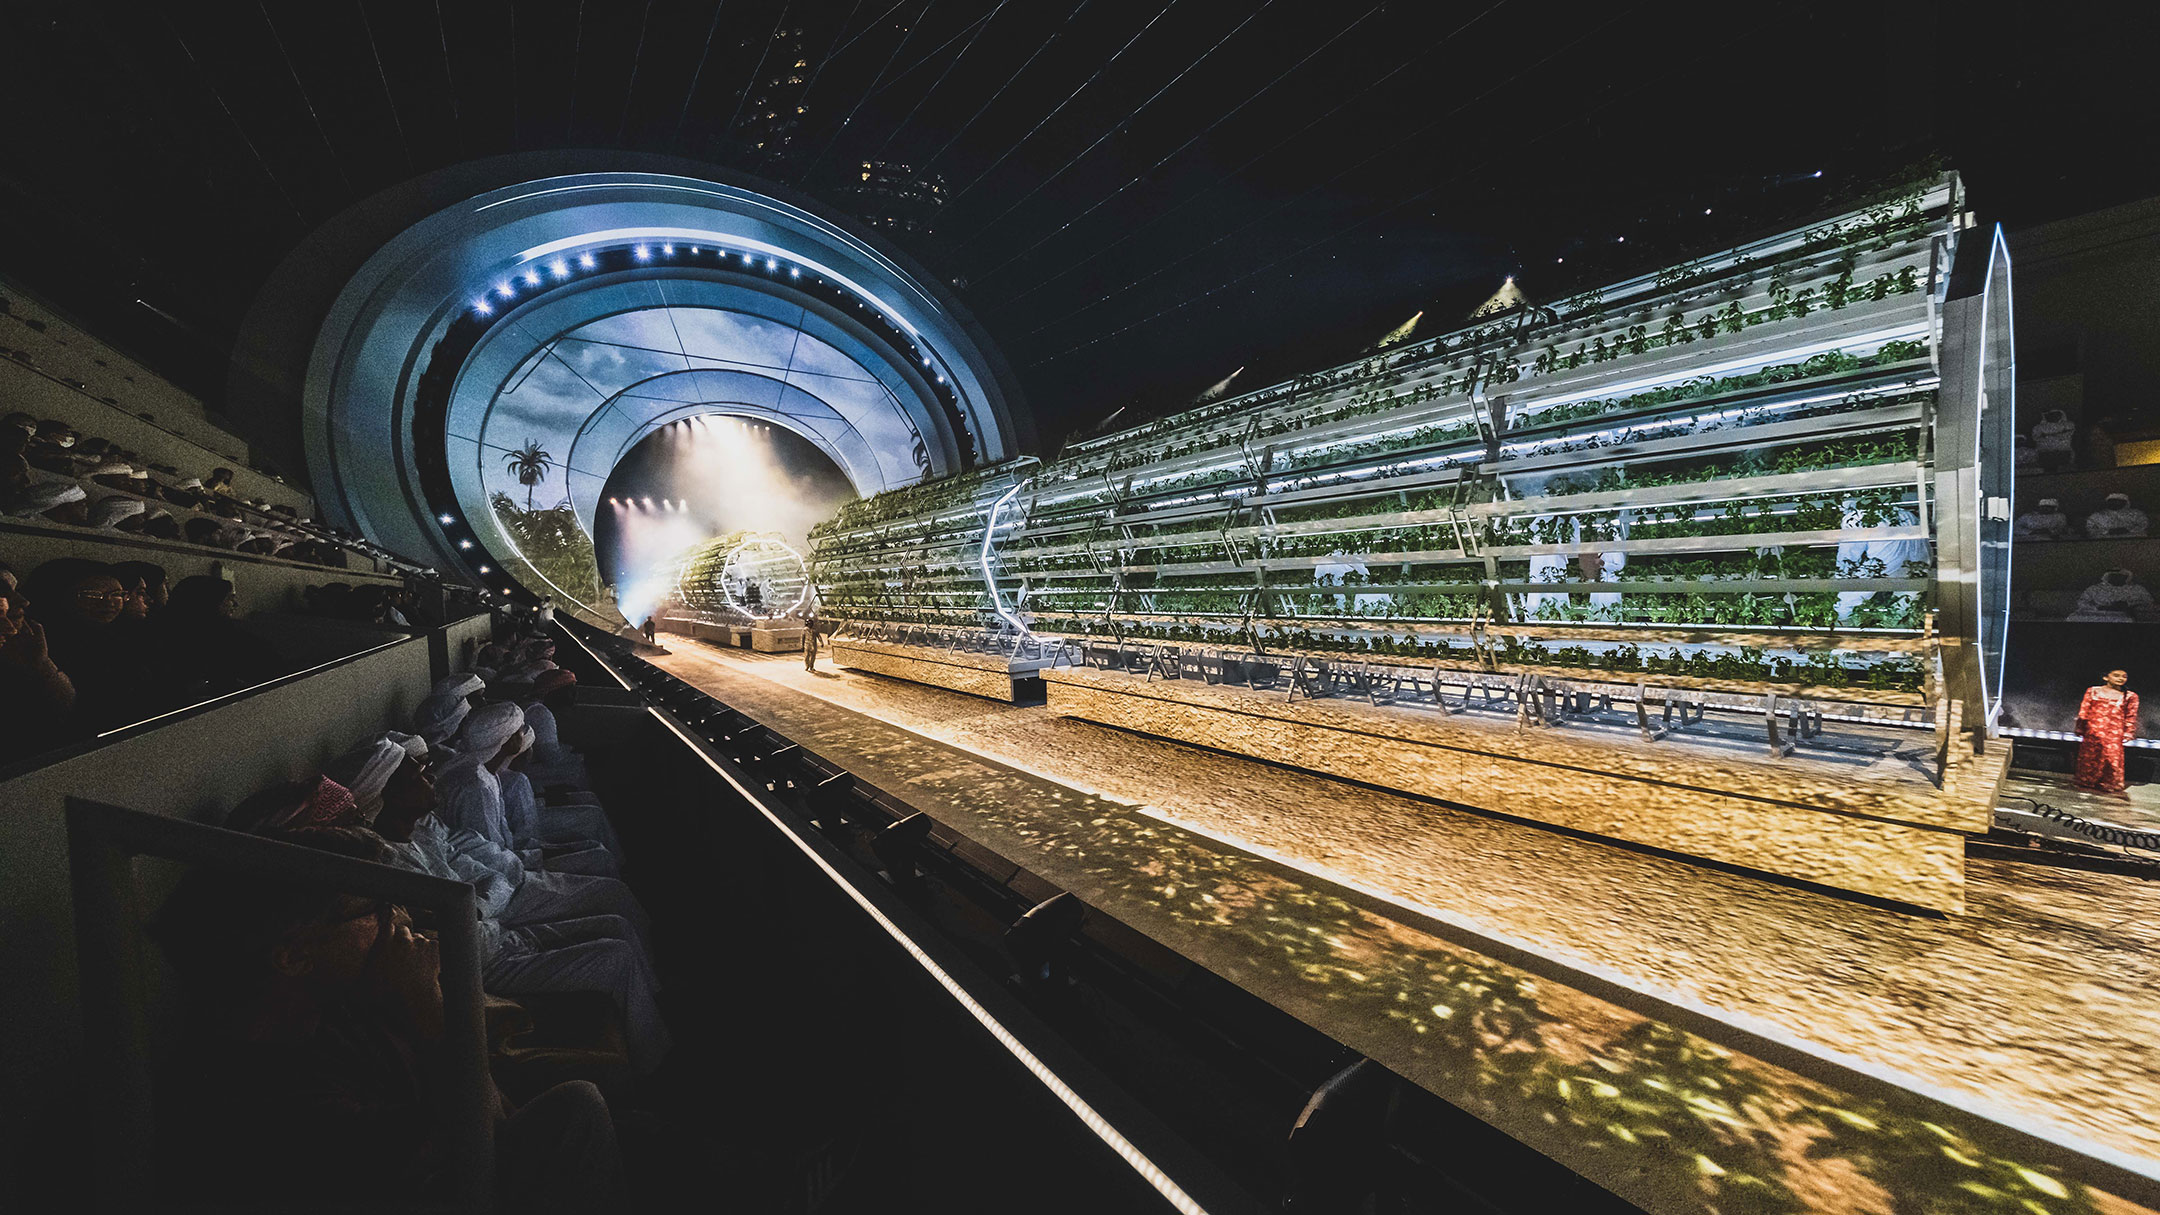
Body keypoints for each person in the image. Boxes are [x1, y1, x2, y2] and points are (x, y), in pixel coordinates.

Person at [151, 829, 627, 1207]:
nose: (401, 918)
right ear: (294, 956)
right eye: (377, 906)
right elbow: (484, 1152)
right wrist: (428, 1004)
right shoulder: (266, 1102)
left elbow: (501, 1112)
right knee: (579, 1110)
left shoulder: (345, 1011)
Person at [154, 575, 283, 702]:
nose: (235, 604)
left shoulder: (226, 634)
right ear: (211, 602)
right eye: (229, 598)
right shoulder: (224, 638)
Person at [2074, 669, 2141, 794]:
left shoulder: (2130, 696)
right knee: (2091, 756)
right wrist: (2080, 727)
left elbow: (2131, 715)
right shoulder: (2093, 691)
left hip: (2114, 731)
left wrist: (2128, 731)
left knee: (2111, 757)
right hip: (2093, 730)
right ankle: (2087, 781)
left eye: (2124, 676)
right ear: (2106, 677)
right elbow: (2084, 710)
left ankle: (2108, 783)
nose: (2120, 679)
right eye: (2116, 676)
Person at [2067, 568, 2160, 622]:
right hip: (2095, 614)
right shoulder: (2095, 588)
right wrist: (2098, 607)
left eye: (2120, 576)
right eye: (2114, 576)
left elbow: (2149, 602)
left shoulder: (2137, 589)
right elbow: (2082, 602)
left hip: (2122, 615)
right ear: (2107, 576)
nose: (2117, 578)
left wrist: (2128, 604)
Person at [2085, 492, 2150, 539]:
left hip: (2129, 537)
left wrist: (2129, 530)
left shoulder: (2136, 513)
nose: (2115, 503)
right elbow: (2089, 528)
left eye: (2118, 501)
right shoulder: (2097, 515)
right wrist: (2106, 531)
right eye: (2112, 501)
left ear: (2125, 503)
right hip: (2106, 538)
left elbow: (2144, 524)